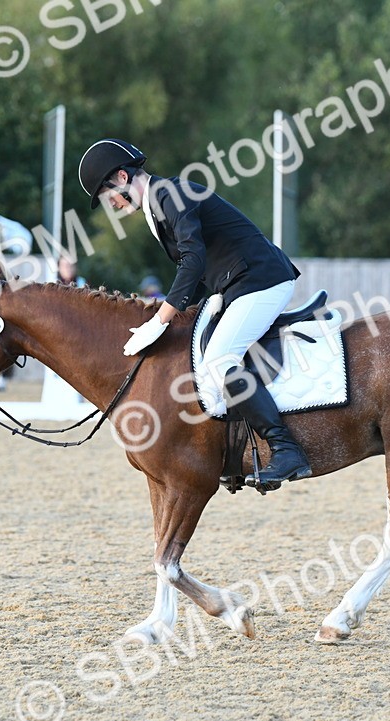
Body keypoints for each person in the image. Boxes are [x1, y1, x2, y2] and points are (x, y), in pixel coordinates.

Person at [78, 138, 311, 489]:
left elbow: (193, 260)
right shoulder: (158, 204)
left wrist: (160, 320)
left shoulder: (171, 195)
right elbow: (198, 271)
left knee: (219, 360)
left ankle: (285, 448)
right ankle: (231, 452)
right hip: (235, 286)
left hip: (262, 280)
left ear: (123, 177)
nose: (110, 203)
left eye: (107, 193)